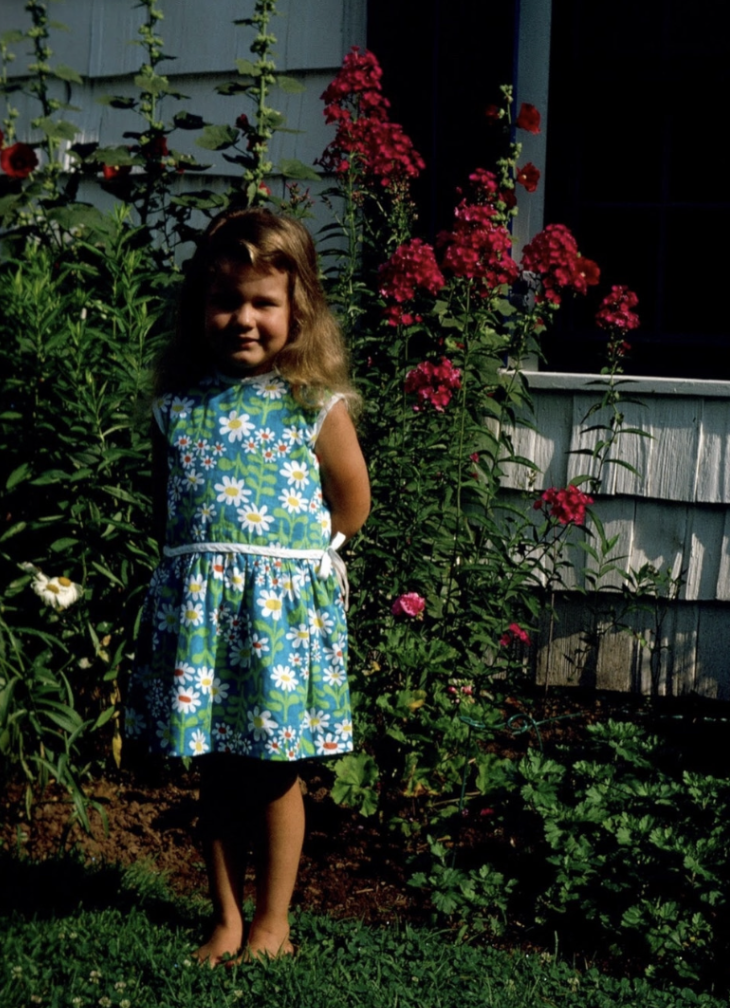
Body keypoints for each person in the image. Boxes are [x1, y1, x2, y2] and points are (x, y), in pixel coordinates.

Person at [124, 207, 370, 965]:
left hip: (276, 624)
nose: (243, 318)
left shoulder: (312, 407)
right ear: (200, 306)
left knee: (272, 775)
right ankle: (227, 917)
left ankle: (273, 922)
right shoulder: (178, 411)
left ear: (299, 310)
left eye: (264, 302)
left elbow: (352, 501)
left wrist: (311, 561)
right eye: (226, 300)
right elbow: (169, 511)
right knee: (216, 774)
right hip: (203, 621)